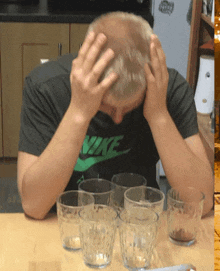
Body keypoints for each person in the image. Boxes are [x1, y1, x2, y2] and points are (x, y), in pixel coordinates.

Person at [17, 11, 214, 220]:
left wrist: (158, 114)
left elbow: (201, 203)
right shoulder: (46, 87)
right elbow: (34, 205)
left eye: (130, 106)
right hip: (65, 224)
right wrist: (78, 112)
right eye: (107, 105)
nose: (118, 118)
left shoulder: (168, 88)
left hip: (137, 221)